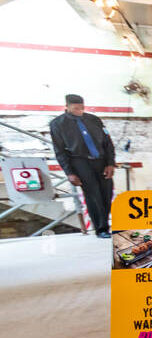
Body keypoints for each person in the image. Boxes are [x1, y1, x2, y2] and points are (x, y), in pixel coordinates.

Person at [49, 93, 116, 237]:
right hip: (80, 162)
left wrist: (110, 163)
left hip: (101, 160)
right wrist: (69, 172)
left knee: (106, 194)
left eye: (82, 108)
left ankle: (106, 224)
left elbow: (108, 143)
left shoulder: (94, 119)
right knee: (93, 196)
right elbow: (59, 150)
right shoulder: (57, 124)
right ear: (67, 107)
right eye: (76, 108)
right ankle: (101, 229)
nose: (79, 111)